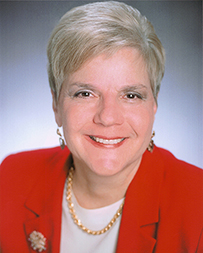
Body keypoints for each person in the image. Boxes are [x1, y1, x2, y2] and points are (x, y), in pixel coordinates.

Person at [0, 1, 202, 252]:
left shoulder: (197, 206)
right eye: (85, 93)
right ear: (56, 105)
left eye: (131, 95)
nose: (107, 117)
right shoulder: (11, 179)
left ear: (154, 105)